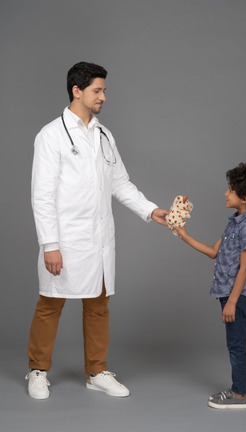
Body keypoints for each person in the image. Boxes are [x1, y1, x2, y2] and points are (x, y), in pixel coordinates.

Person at [26, 62, 169, 400]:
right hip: (66, 239)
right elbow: (41, 195)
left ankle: (96, 371)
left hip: (99, 240)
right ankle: (37, 369)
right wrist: (50, 244)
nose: (103, 96)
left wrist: (151, 210)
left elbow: (120, 183)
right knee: (51, 304)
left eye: (103, 90)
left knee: (99, 305)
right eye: (97, 90)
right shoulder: (51, 135)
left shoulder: (104, 135)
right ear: (77, 91)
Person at [174, 163, 246, 409]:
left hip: (236, 295)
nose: (226, 194)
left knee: (236, 344)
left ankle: (239, 395)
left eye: (230, 190)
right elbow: (214, 252)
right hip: (228, 293)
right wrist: (184, 235)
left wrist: (233, 302)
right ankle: (239, 389)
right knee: (234, 342)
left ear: (244, 197)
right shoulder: (235, 222)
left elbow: (245, 268)